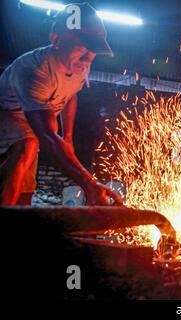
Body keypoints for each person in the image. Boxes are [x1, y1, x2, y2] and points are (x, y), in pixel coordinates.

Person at [0, 3, 122, 206]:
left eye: (93, 52)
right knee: (27, 148)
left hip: (29, 128)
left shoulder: (80, 67)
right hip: (6, 119)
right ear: (56, 40)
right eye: (82, 49)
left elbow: (70, 96)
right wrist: (90, 186)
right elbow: (47, 136)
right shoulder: (34, 71)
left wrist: (68, 137)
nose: (87, 58)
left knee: (24, 191)